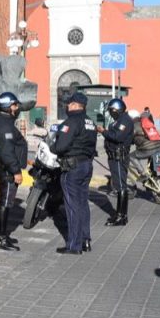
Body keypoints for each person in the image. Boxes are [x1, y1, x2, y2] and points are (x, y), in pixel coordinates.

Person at [51, 92, 98, 255]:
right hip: (86, 165)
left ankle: (74, 245)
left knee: (72, 206)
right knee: (83, 203)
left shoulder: (71, 122)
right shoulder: (90, 122)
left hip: (72, 168)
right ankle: (85, 240)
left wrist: (53, 146)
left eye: (69, 104)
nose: (67, 106)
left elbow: (60, 147)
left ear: (76, 105)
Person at [0, 92, 27, 250]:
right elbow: (6, 152)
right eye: (15, 105)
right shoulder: (5, 125)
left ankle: (1, 235)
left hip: (4, 167)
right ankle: (0, 238)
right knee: (5, 202)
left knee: (4, 201)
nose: (17, 108)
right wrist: (16, 171)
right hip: (7, 170)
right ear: (8, 106)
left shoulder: (4, 120)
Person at [97, 98, 134, 226]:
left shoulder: (125, 121)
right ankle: (120, 215)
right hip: (114, 156)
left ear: (117, 110)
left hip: (119, 157)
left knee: (120, 187)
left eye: (112, 111)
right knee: (119, 186)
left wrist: (103, 132)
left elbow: (118, 137)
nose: (111, 114)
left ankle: (121, 216)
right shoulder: (119, 120)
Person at [130, 108, 160, 177]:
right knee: (151, 165)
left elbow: (129, 139)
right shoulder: (145, 122)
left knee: (131, 156)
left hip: (148, 149)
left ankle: (143, 174)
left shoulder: (133, 126)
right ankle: (153, 179)